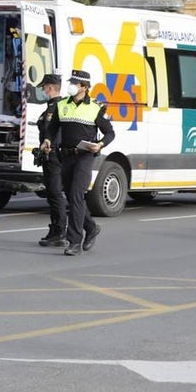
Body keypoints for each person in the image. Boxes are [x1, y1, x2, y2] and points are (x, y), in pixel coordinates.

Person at [43, 68, 114, 256]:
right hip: (66, 156)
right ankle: (91, 227)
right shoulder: (62, 105)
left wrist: (100, 145)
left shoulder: (95, 108)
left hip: (85, 156)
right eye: (71, 83)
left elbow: (110, 132)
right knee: (71, 196)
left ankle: (74, 241)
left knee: (76, 195)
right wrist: (48, 140)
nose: (71, 86)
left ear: (84, 87)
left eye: (74, 83)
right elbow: (52, 128)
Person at [35, 73, 67, 247]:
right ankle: (56, 229)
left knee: (55, 193)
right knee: (52, 194)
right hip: (49, 154)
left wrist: (50, 146)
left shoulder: (57, 107)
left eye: (44, 87)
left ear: (50, 87)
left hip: (54, 154)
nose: (42, 90)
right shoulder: (51, 107)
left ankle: (59, 231)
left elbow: (56, 132)